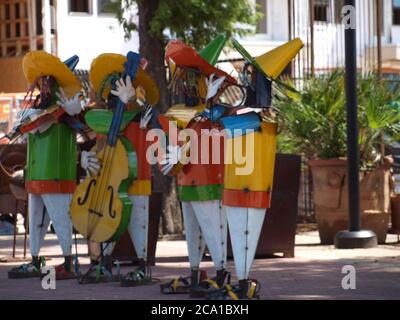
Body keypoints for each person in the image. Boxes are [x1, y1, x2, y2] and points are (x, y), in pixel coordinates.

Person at [210, 38, 304, 299]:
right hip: (237, 184)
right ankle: (241, 281)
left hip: (252, 185)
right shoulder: (248, 117)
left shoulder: (259, 119)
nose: (244, 79)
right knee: (241, 235)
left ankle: (243, 282)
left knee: (245, 235)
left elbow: (230, 125)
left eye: (250, 75)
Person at [159, 36, 236, 297]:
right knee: (192, 230)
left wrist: (212, 104)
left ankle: (221, 272)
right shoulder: (180, 114)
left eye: (195, 81)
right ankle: (195, 271)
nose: (189, 87)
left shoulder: (219, 112)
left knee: (213, 228)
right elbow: (171, 144)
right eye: (186, 82)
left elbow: (225, 129)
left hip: (209, 180)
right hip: (187, 180)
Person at [79, 52, 160, 286]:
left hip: (138, 177)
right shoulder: (104, 118)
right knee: (108, 222)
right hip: (109, 180)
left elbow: (152, 118)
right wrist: (86, 158)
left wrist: (135, 100)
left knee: (138, 221)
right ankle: (103, 262)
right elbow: (100, 146)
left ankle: (143, 266)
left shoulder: (142, 114)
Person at [8, 51, 83, 280]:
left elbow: (82, 127)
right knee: (36, 220)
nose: (42, 84)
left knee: (60, 217)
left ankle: (69, 261)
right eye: (41, 80)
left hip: (56, 171)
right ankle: (35, 259)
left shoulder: (64, 106)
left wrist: (75, 112)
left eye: (46, 79)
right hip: (38, 171)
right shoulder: (39, 107)